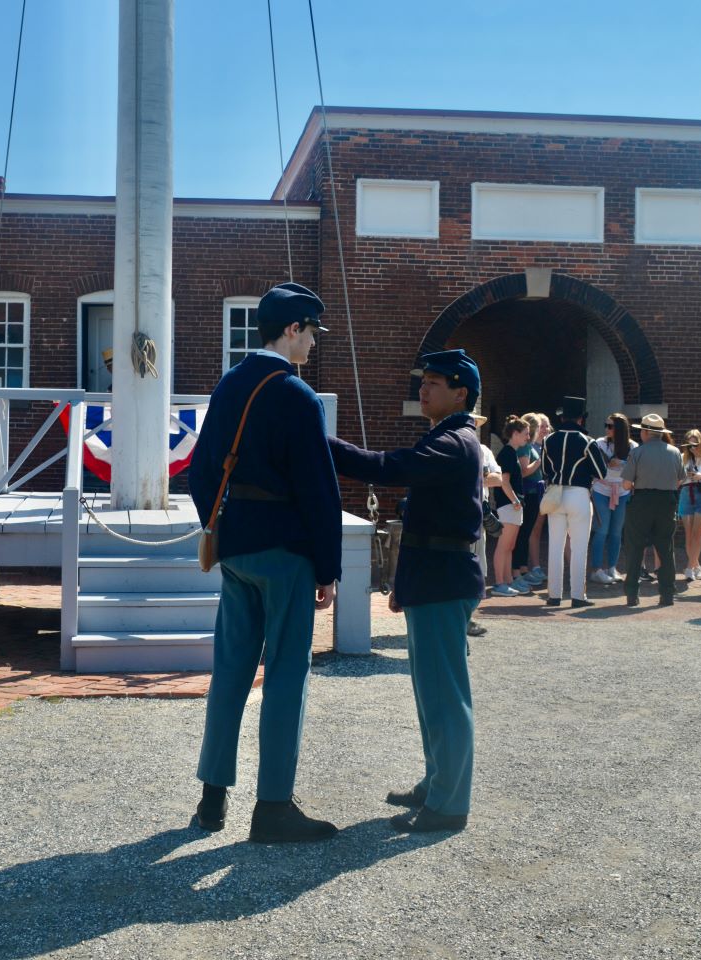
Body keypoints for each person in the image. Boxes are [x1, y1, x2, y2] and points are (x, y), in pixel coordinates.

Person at [188, 281, 342, 844]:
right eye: (312, 332)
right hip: (287, 551)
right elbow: (318, 491)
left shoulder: (230, 385)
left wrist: (220, 525)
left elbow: (199, 471)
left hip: (236, 545)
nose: (314, 344)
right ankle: (273, 805)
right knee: (284, 676)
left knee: (229, 671)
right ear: (293, 329)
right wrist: (328, 568)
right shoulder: (295, 395)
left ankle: (211, 802)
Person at [328, 348, 485, 834]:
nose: (423, 388)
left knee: (445, 696)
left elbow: (390, 468)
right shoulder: (447, 437)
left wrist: (325, 446)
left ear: (461, 393)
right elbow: (420, 523)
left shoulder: (455, 440)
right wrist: (402, 582)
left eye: (435, 382)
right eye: (424, 381)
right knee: (431, 693)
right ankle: (437, 782)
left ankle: (449, 803)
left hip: (443, 578)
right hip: (431, 576)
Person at [542, 396, 608, 608]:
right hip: (579, 494)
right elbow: (601, 473)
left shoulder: (547, 440)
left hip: (555, 493)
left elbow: (545, 470)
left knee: (555, 546)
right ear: (581, 418)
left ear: (562, 418)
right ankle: (578, 596)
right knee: (579, 548)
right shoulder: (587, 441)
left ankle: (554, 595)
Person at [620, 414, 685, 607]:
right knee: (665, 547)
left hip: (642, 500)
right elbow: (680, 480)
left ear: (646, 432)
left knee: (635, 548)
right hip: (667, 502)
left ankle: (632, 594)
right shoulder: (675, 452)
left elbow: (625, 484)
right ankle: (667, 594)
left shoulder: (638, 452)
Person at [589, 412, 637, 584]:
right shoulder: (599, 443)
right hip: (602, 489)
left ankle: (612, 567)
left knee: (616, 532)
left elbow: (635, 468)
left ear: (620, 429)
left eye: (610, 426)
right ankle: (596, 569)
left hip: (622, 491)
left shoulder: (632, 446)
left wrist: (622, 464)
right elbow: (592, 465)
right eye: (606, 425)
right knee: (602, 530)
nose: (607, 429)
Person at [469, 413, 502, 637]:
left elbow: (497, 478)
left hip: (478, 512)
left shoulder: (483, 450)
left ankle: (468, 615)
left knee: (478, 564)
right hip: (454, 514)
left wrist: (474, 477)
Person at [491, 415, 530, 596]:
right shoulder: (507, 453)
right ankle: (499, 582)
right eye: (525, 434)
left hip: (513, 505)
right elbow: (504, 481)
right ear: (515, 434)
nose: (527, 438)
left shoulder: (512, 453)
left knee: (510, 545)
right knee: (504, 544)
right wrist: (514, 500)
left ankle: (507, 581)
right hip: (508, 505)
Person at [512, 412, 547, 587]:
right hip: (529, 492)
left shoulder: (531, 445)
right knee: (523, 533)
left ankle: (524, 569)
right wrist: (539, 462)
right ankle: (516, 570)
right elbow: (524, 471)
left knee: (526, 533)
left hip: (535, 492)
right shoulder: (525, 447)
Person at [678, 429, 701, 581]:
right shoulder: (682, 458)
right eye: (689, 444)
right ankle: (695, 565)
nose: (693, 447)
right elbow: (676, 482)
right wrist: (685, 477)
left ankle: (690, 567)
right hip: (686, 493)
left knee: (698, 534)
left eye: (695, 444)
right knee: (689, 533)